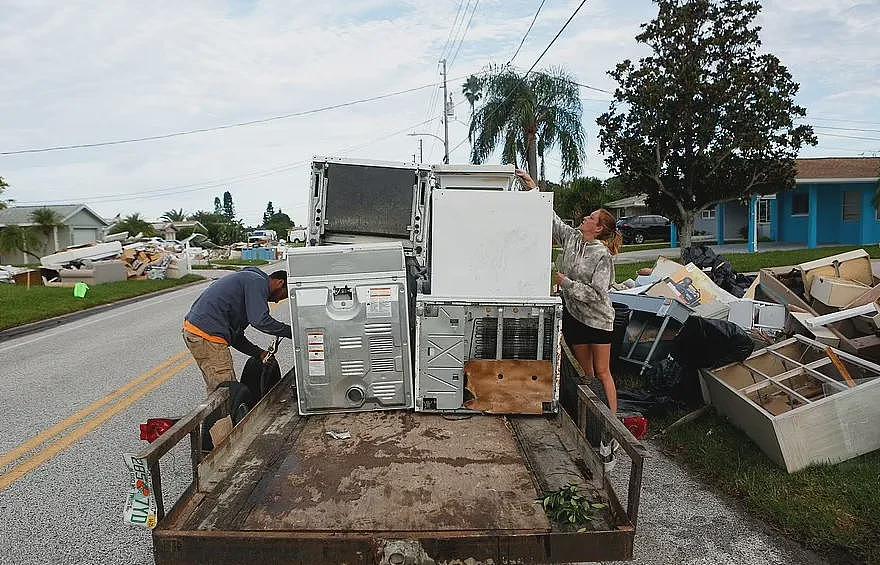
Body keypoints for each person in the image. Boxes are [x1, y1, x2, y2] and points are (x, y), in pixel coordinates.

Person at [516, 169, 622, 414]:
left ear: (597, 229)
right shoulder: (573, 239)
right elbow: (552, 219)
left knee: (603, 372)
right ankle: (594, 419)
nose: (585, 217)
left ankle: (613, 423)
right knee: (587, 374)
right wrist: (532, 187)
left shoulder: (602, 256)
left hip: (598, 321)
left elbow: (597, 293)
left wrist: (566, 284)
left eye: (591, 218)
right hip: (576, 318)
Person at [182, 268, 292, 443]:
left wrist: (259, 353)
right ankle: (221, 447)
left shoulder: (248, 282)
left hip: (199, 332)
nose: (278, 300)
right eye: (283, 295)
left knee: (219, 390)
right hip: (207, 336)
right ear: (280, 283)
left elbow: (236, 337)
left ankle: (218, 435)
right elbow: (260, 321)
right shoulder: (257, 283)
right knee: (226, 395)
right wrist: (293, 332)